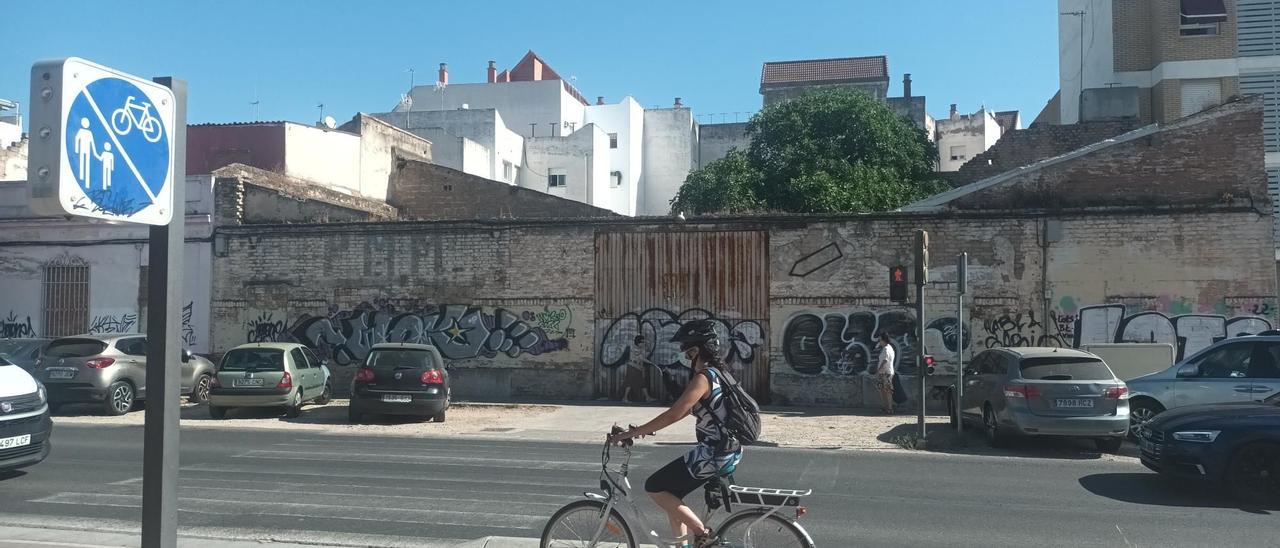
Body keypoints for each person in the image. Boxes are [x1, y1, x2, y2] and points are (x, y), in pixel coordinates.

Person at [608, 319, 742, 548]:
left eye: (686, 349)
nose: (683, 353)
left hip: (714, 453)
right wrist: (644, 430)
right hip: (727, 450)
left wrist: (628, 434)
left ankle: (704, 534)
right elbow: (693, 410)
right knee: (671, 495)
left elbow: (674, 415)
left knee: (655, 487)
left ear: (696, 349)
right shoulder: (719, 373)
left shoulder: (704, 377)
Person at [622, 335, 656, 402]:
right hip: (632, 366)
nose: (643, 343)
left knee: (639, 382)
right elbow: (642, 358)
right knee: (632, 382)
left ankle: (647, 398)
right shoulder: (635, 348)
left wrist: (646, 347)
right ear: (638, 342)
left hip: (637, 367)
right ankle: (625, 398)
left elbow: (644, 355)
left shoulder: (640, 348)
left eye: (643, 342)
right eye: (642, 342)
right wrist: (651, 363)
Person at [874, 332, 896, 414]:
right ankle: (885, 407)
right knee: (882, 389)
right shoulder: (889, 348)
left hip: (886, 373)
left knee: (887, 390)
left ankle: (889, 408)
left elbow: (885, 360)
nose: (879, 342)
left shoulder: (886, 349)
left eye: (880, 340)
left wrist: (878, 370)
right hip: (884, 373)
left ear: (883, 340)